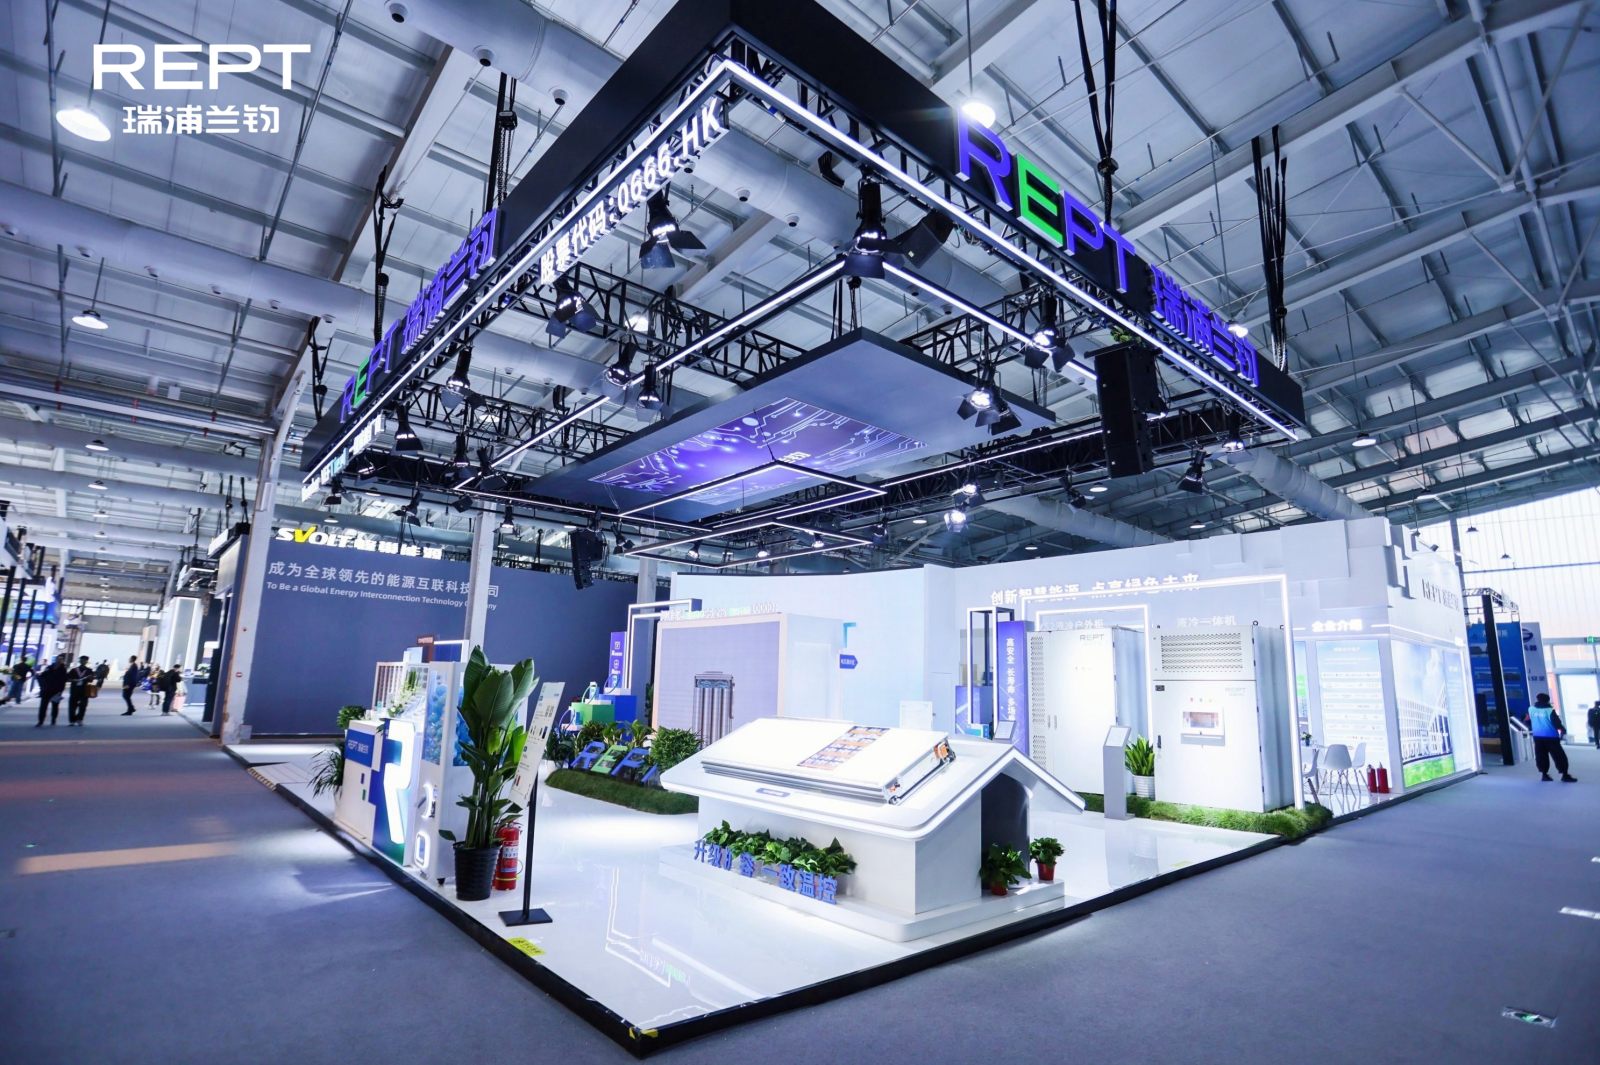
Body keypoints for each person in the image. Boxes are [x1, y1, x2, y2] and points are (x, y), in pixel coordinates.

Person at [1529, 692, 1576, 783]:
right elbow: (1557, 723)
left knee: (1541, 755)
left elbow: (1529, 720)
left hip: (1538, 736)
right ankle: (1564, 774)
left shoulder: (1531, 709)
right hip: (1551, 736)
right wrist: (1563, 730)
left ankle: (1544, 774)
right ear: (1547, 700)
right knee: (1559, 756)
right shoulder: (1550, 710)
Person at [35, 654, 67, 727]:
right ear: (56, 659)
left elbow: (63, 681)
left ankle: (53, 719)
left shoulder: (63, 670)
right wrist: (42, 686)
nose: (59, 660)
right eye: (58, 659)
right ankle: (40, 721)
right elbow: (42, 676)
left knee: (55, 706)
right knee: (43, 706)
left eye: (61, 659)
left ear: (62, 660)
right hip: (46, 690)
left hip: (56, 691)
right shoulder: (49, 667)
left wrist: (60, 691)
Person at [66, 655, 96, 726]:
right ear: (80, 661)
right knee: (72, 706)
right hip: (74, 690)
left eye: (84, 660)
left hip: (84, 690)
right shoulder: (74, 670)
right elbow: (68, 678)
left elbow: (91, 680)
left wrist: (91, 678)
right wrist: (73, 680)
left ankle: (79, 719)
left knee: (83, 706)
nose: (83, 661)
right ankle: (72, 720)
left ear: (86, 662)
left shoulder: (89, 670)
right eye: (82, 660)